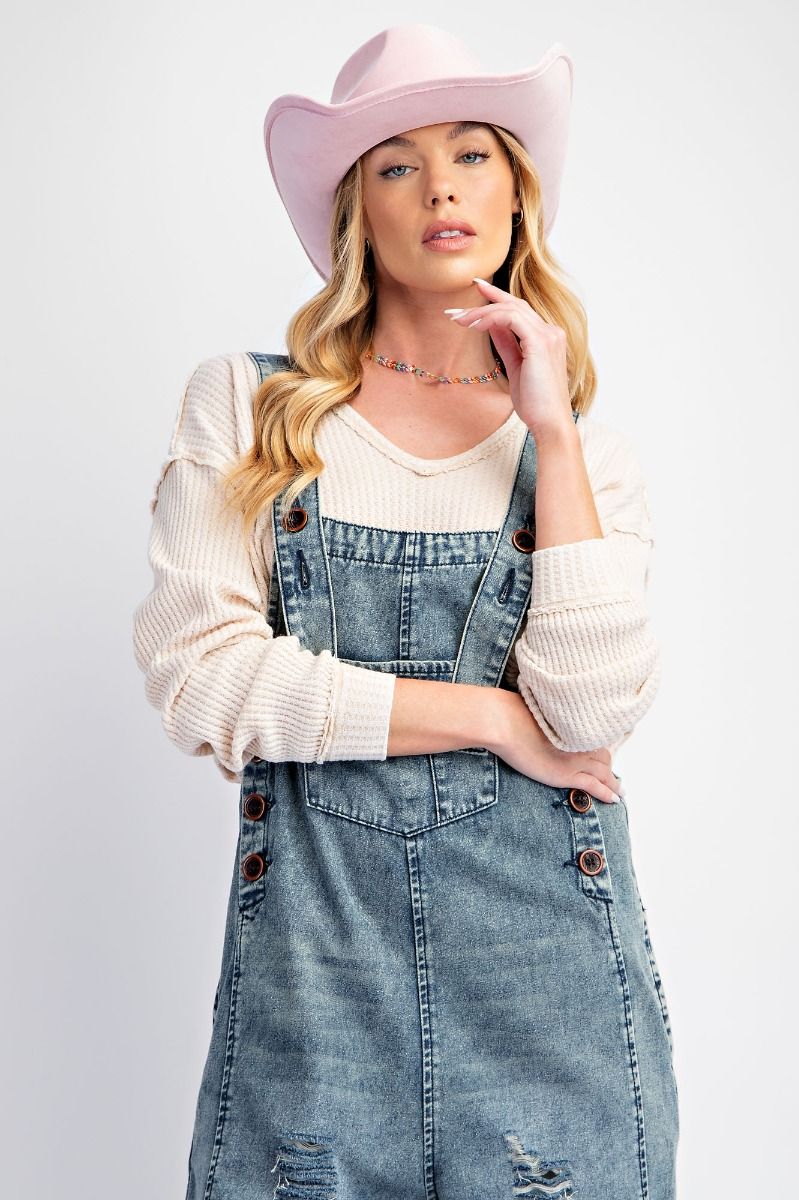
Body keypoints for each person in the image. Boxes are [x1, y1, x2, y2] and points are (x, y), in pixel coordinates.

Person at [133, 23, 679, 1200]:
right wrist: (488, 718)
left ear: (516, 194)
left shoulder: (587, 459)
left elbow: (588, 715)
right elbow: (200, 680)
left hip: (556, 1013)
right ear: (357, 215)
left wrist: (550, 435)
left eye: (472, 154)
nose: (440, 187)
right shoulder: (249, 409)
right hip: (312, 1007)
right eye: (397, 163)